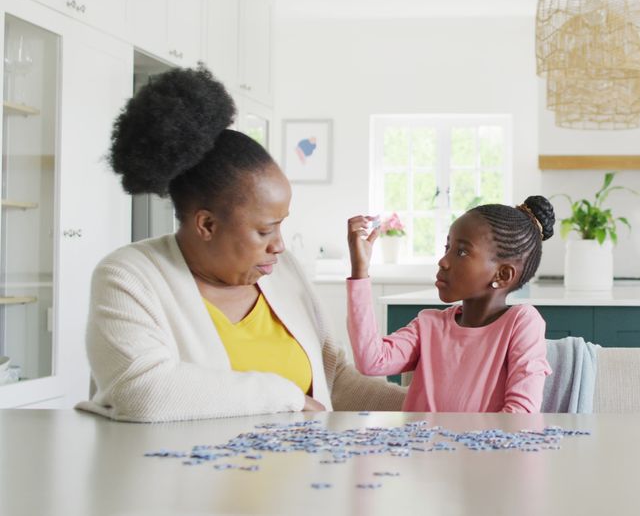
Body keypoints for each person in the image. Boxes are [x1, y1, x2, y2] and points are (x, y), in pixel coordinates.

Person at [77, 66, 404, 422]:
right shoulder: (128, 276)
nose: (278, 245)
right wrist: (286, 397)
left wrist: (430, 404)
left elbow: (335, 381)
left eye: (281, 226)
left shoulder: (281, 273)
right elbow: (142, 392)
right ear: (207, 224)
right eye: (265, 231)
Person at [346, 197, 556, 412]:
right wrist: (360, 270)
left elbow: (520, 416)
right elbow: (371, 361)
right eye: (447, 247)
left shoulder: (521, 322)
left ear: (502, 275)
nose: (443, 261)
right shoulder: (428, 324)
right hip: (418, 445)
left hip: (486, 446)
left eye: (462, 252)